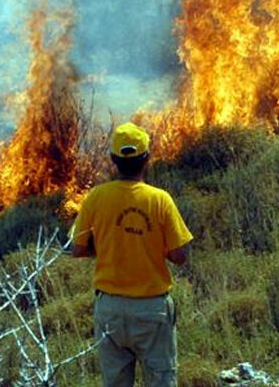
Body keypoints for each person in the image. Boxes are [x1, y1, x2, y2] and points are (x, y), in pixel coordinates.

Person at [71, 122, 193, 387]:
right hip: (152, 311)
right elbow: (181, 254)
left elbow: (77, 248)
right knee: (161, 381)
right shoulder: (160, 200)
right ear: (147, 158)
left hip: (110, 310)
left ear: (113, 160)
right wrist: (149, 244)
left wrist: (107, 244)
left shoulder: (95, 197)